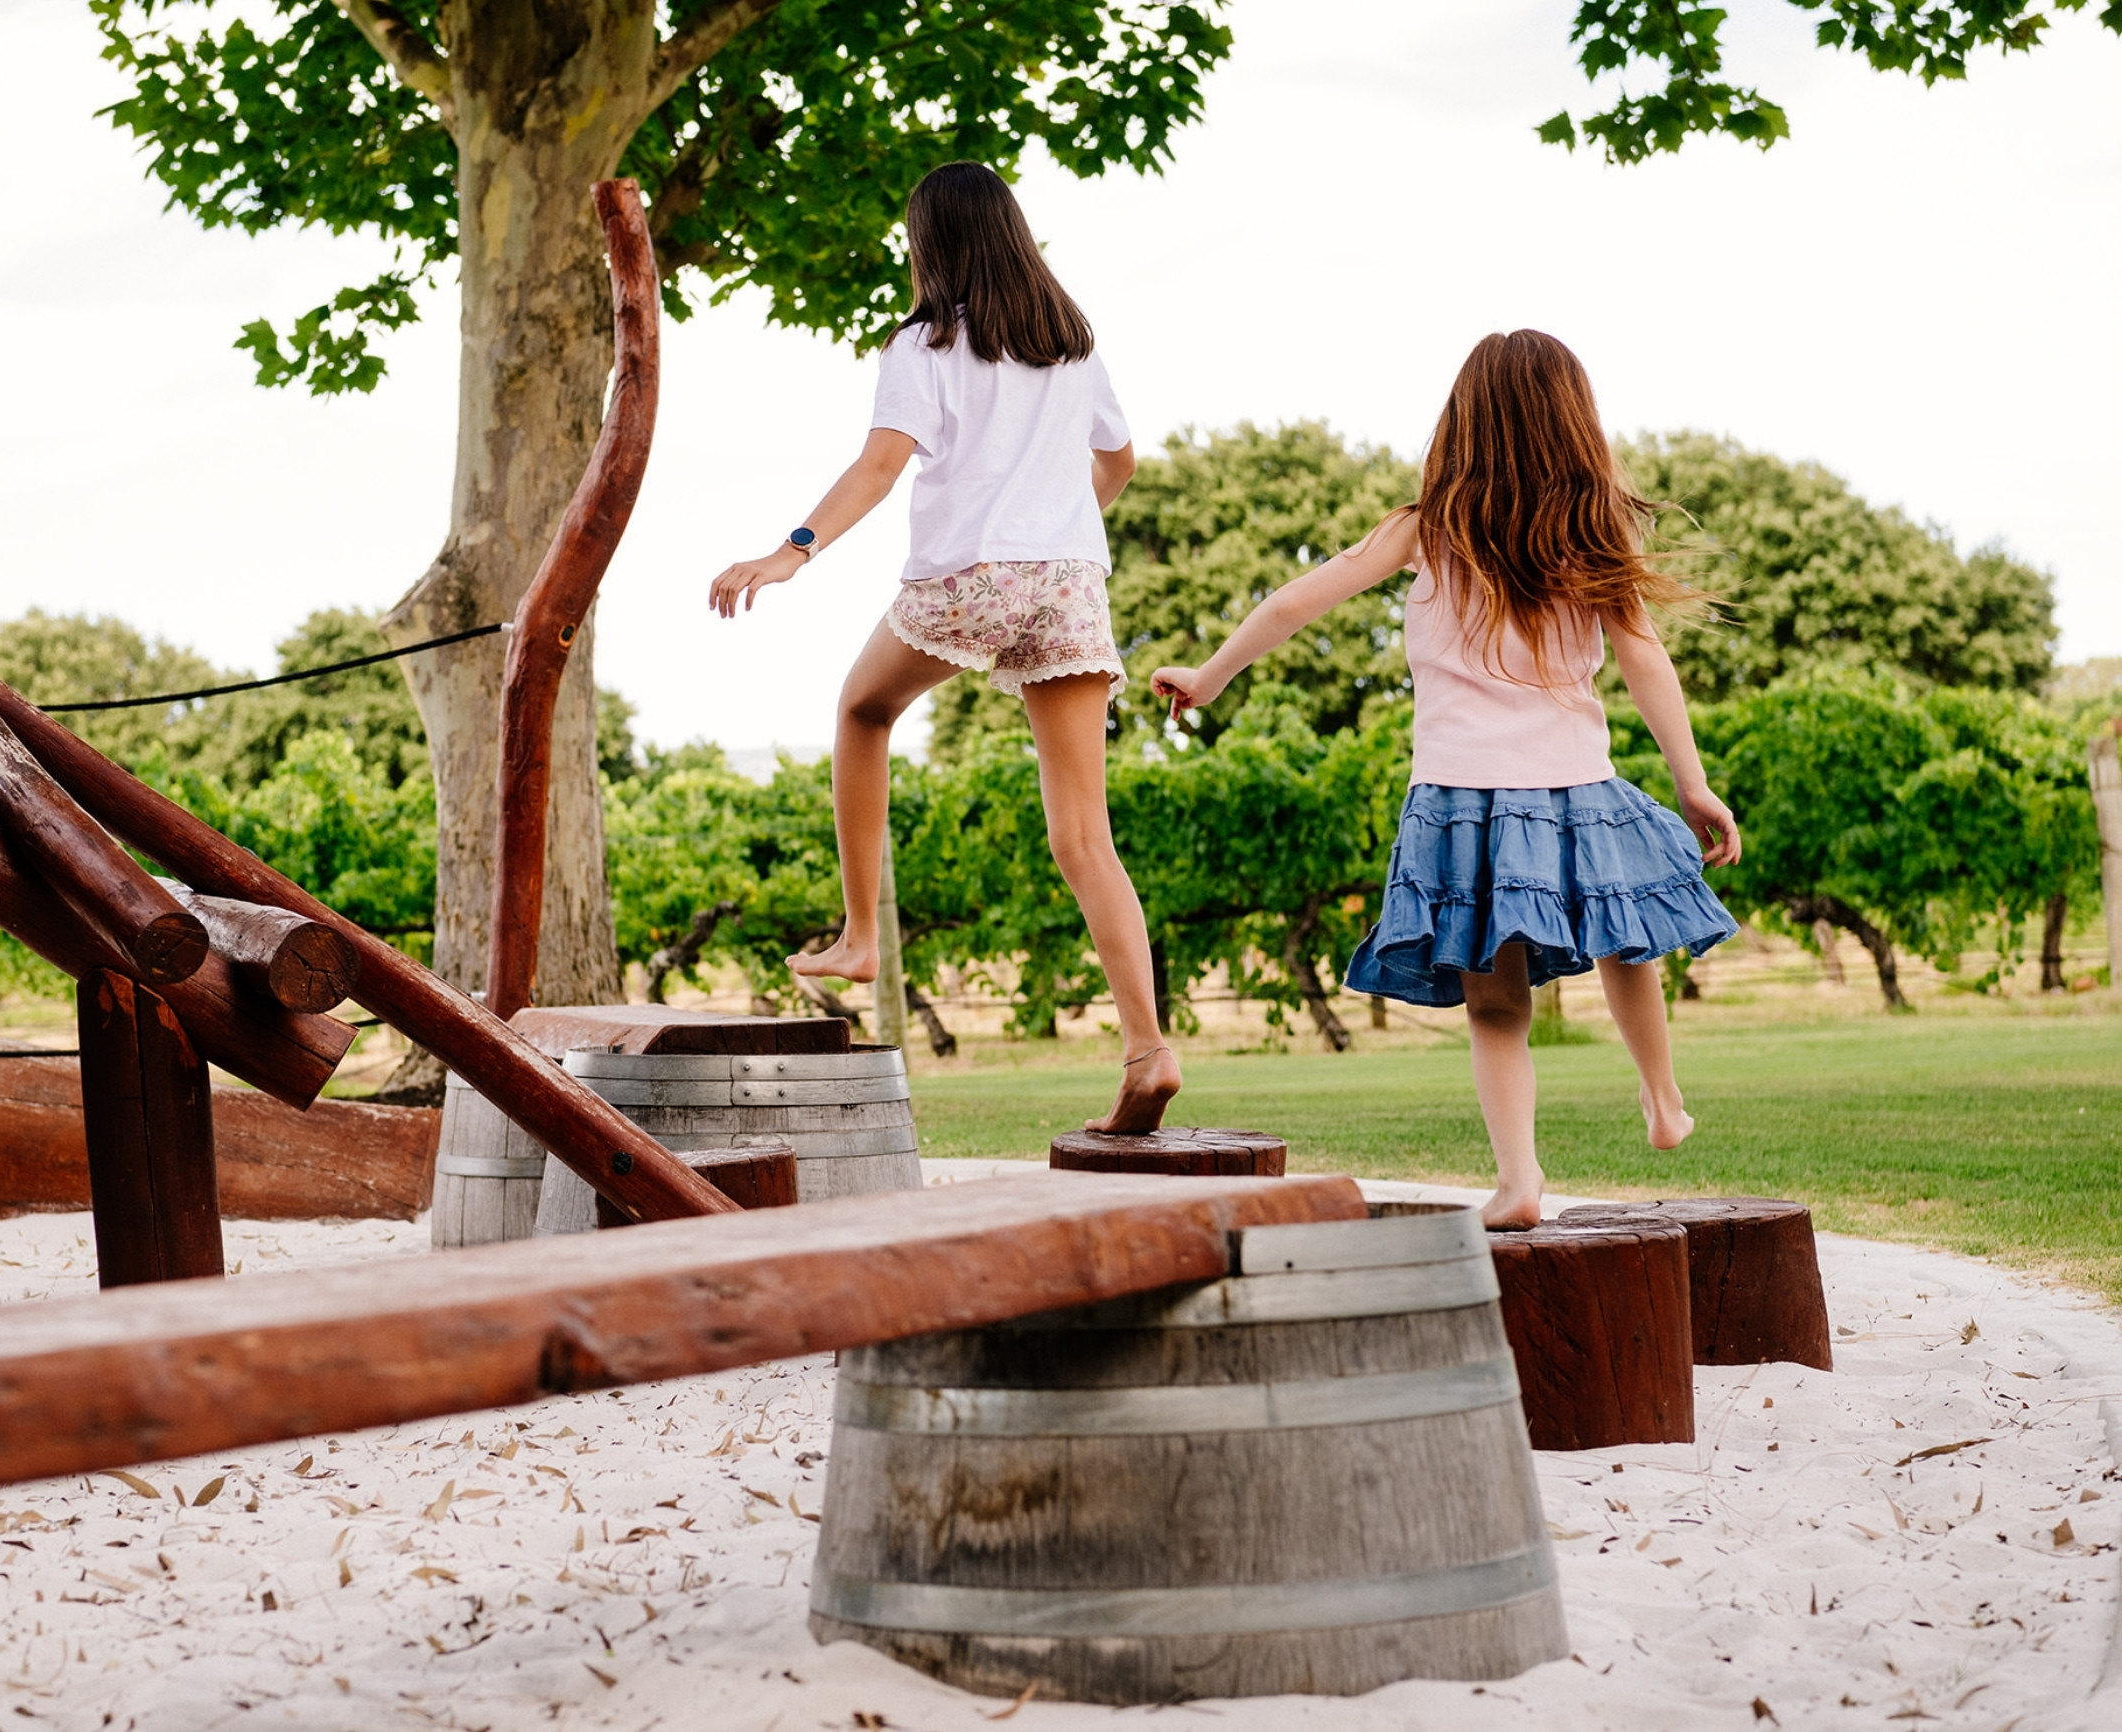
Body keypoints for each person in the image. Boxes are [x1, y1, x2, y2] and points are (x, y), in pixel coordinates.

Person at [1149, 329, 1742, 1227]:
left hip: (1463, 803)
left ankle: (1520, 1181)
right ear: (1575, 425)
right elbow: (1646, 659)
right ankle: (1662, 1098)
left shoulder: (1425, 529)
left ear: (1462, 420)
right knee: (1628, 935)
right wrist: (1690, 782)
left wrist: (1210, 674)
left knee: (1496, 1004)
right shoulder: (1591, 532)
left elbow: (1294, 601)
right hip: (1575, 787)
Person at [707, 161, 1179, 1134]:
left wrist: (789, 552)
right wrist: (1055, 527)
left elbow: (880, 465)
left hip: (971, 577)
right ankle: (1149, 1049)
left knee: (861, 710)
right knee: (1084, 838)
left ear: (931, 245)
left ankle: (857, 937)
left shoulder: (922, 344)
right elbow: (1119, 462)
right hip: (1068, 584)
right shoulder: (1070, 346)